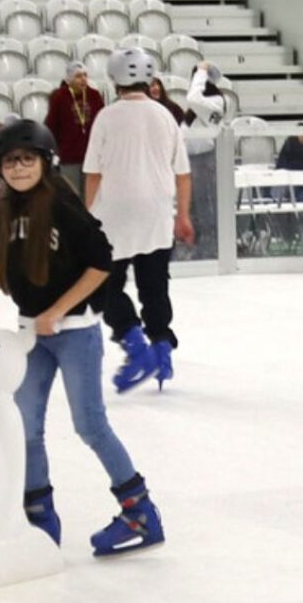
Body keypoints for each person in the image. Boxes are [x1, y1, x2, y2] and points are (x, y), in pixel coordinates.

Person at [0, 119, 164, 557]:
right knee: (25, 426)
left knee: (89, 425)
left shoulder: (63, 207)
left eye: (27, 160)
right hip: (29, 336)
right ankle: (40, 519)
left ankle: (140, 513)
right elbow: (3, 261)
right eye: (10, 162)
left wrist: (58, 310)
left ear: (45, 161)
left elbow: (101, 265)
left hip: (75, 334)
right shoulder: (6, 211)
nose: (18, 169)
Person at [83, 48, 193, 391]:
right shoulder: (164, 116)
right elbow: (183, 173)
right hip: (157, 211)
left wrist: (85, 217)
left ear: (114, 79)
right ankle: (162, 347)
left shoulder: (106, 117)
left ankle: (134, 342)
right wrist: (183, 215)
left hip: (113, 213)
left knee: (105, 286)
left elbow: (93, 173)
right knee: (155, 285)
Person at [183, 61, 232, 260]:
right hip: (190, 159)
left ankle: (212, 246)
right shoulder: (200, 105)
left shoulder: (215, 102)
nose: (196, 80)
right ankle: (197, 244)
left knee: (206, 205)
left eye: (199, 77)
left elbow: (193, 97)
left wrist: (202, 72)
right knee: (194, 205)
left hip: (205, 159)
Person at [44, 61, 105, 198]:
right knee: (72, 194)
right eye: (78, 76)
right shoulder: (59, 97)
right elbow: (52, 126)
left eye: (85, 75)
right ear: (69, 79)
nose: (83, 79)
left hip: (92, 155)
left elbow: (102, 122)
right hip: (69, 156)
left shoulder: (94, 95)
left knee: (92, 196)